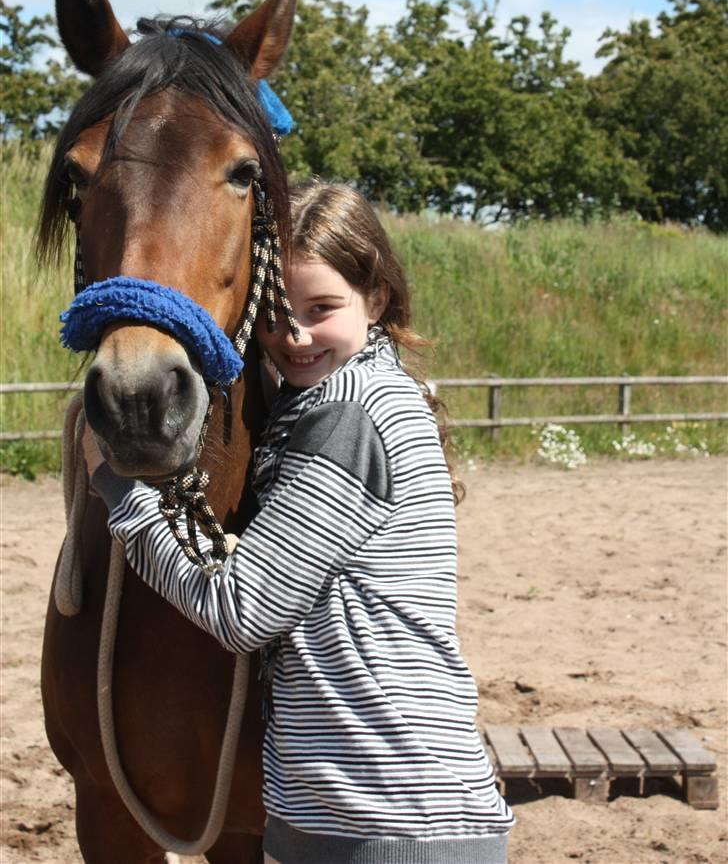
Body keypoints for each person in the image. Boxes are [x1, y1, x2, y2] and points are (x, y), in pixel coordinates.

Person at [85, 181, 515, 864]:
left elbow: (243, 612)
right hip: (360, 815)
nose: (295, 335)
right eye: (277, 313)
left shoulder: (349, 418)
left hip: (385, 822)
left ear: (376, 299)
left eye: (323, 309)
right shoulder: (340, 405)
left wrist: (121, 493)